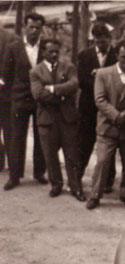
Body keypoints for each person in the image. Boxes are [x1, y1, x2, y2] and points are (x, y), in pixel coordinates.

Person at [86, 40, 125, 210]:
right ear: (117, 56)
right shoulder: (103, 74)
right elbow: (100, 99)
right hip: (107, 127)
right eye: (123, 57)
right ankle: (95, 195)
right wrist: (117, 115)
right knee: (102, 161)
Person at [29, 39, 84, 201]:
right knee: (50, 156)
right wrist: (62, 95)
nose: (54, 55)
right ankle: (56, 185)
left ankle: (76, 187)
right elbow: (38, 94)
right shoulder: (35, 71)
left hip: (68, 119)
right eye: (50, 51)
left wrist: (53, 89)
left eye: (56, 52)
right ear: (43, 52)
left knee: (72, 155)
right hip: (47, 120)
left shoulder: (69, 67)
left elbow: (74, 84)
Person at [77, 22, 118, 184]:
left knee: (108, 145)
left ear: (109, 39)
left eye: (103, 41)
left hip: (109, 106)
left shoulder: (116, 56)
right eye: (97, 42)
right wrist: (100, 82)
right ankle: (76, 177)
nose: (100, 45)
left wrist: (100, 76)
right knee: (84, 143)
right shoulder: (85, 55)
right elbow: (81, 81)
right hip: (88, 107)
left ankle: (107, 180)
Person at [0, 27, 36, 191]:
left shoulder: (10, 38)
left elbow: (11, 70)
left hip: (6, 93)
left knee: (11, 133)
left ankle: (14, 172)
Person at [21, 12, 47, 186]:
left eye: (38, 28)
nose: (34, 31)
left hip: (40, 98)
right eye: (31, 27)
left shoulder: (46, 47)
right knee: (18, 135)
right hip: (21, 96)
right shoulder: (15, 45)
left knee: (41, 135)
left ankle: (39, 172)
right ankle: (16, 173)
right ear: (25, 27)